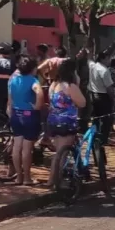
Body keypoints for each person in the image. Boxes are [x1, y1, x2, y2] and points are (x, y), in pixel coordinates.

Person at [47, 59, 87, 187]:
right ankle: (57, 181)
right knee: (62, 154)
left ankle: (51, 180)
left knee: (58, 153)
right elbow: (82, 103)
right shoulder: (70, 86)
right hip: (66, 122)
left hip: (53, 121)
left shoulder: (54, 85)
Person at [7, 57, 44, 185]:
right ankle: (27, 178)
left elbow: (10, 100)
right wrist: (37, 106)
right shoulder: (33, 80)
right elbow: (39, 93)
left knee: (17, 147)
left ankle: (18, 177)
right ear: (32, 69)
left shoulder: (13, 80)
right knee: (27, 149)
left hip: (16, 115)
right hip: (29, 115)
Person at [88, 51, 115, 143]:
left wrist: (88, 51)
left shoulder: (93, 66)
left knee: (96, 118)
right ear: (103, 59)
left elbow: (89, 60)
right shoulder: (104, 70)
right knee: (106, 119)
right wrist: (112, 98)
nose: (109, 60)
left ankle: (93, 137)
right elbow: (109, 88)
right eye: (108, 58)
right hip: (103, 96)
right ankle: (103, 140)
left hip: (93, 95)